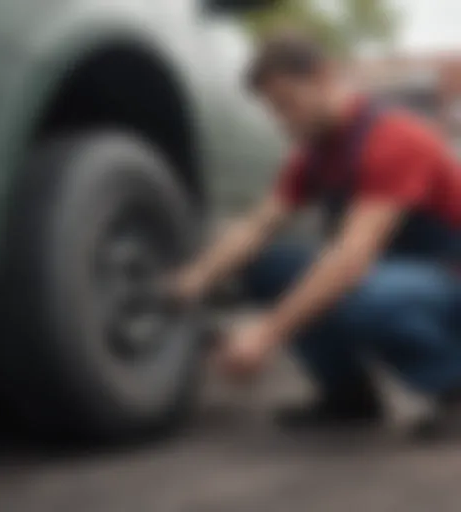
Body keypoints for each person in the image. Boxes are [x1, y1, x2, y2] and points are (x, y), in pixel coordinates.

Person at [174, 31, 461, 438]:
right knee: (264, 266)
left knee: (359, 288)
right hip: (406, 269)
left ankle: (452, 387)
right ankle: (348, 397)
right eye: (274, 110)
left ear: (324, 77)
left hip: (449, 274)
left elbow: (349, 258)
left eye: (288, 104)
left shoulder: (394, 139)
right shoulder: (314, 155)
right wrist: (195, 279)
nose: (283, 119)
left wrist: (265, 334)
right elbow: (257, 225)